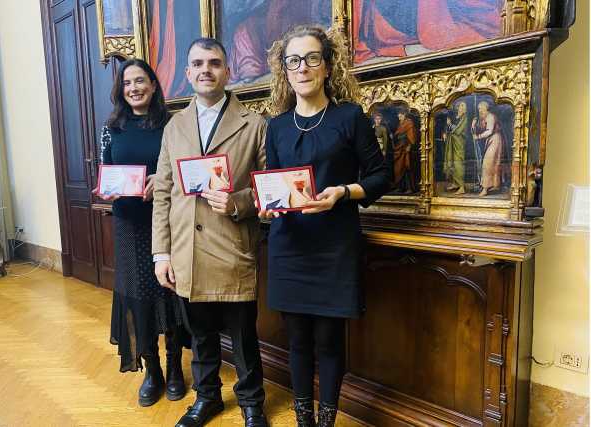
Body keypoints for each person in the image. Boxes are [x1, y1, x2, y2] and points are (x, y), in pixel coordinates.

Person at [261, 26, 392, 427]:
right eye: (293, 61)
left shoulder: (349, 117)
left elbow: (380, 175)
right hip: (289, 245)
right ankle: (304, 421)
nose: (303, 68)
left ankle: (326, 421)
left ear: (328, 65)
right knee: (297, 341)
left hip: (334, 246)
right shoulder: (277, 126)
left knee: (329, 341)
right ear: (285, 70)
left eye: (312, 58)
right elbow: (272, 182)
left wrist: (344, 192)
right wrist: (268, 207)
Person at [151, 38, 268, 427]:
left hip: (233, 247)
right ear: (187, 73)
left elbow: (270, 188)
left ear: (227, 71)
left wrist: (238, 202)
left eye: (214, 62)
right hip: (185, 252)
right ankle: (207, 398)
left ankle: (252, 404)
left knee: (243, 338)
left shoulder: (254, 125)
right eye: (198, 63)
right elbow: (164, 193)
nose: (206, 69)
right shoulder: (174, 127)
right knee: (199, 336)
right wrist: (161, 254)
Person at [96, 58, 189, 407]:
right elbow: (106, 170)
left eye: (140, 81)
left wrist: (161, 180)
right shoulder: (112, 126)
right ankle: (152, 370)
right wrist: (108, 188)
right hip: (130, 222)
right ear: (121, 91)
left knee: (171, 294)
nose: (133, 88)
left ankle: (176, 368)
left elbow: (185, 170)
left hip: (168, 220)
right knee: (138, 298)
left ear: (153, 84)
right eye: (127, 83)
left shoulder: (173, 124)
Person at [471, 101, 504, 196]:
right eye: (479, 109)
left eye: (481, 109)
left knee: (487, 163)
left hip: (495, 140)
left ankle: (485, 189)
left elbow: (489, 131)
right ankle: (494, 185)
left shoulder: (490, 117)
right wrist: (473, 125)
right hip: (490, 141)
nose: (479, 111)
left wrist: (478, 136)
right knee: (493, 163)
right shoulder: (482, 118)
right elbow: (475, 131)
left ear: (486, 108)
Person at [442, 101, 468, 195]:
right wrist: (445, 132)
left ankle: (461, 187)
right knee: (451, 162)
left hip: (459, 144)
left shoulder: (465, 118)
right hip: (451, 142)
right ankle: (455, 183)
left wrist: (449, 125)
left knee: (458, 164)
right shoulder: (455, 117)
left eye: (463, 106)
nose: (461, 108)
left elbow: (458, 131)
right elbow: (448, 128)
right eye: (460, 106)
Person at [393, 107, 417, 193]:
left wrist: (409, 146)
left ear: (404, 115)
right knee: (399, 167)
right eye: (398, 116)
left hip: (406, 148)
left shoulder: (409, 123)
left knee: (407, 167)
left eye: (400, 116)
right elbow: (398, 135)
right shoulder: (400, 124)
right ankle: (400, 187)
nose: (399, 117)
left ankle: (410, 188)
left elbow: (411, 136)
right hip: (400, 147)